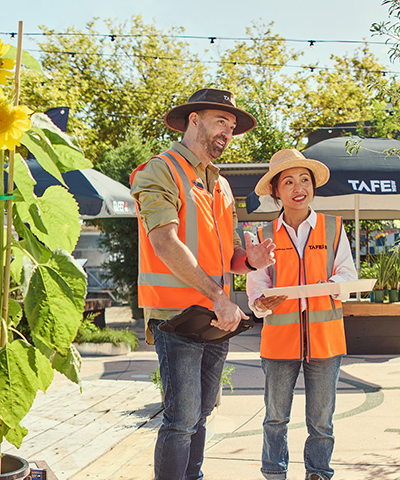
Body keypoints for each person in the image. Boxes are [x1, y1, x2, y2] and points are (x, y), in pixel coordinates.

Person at [130, 88, 276, 480]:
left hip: (216, 318)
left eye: (231, 126)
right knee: (181, 419)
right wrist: (218, 297)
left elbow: (226, 255)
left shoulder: (222, 185)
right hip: (177, 316)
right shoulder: (160, 170)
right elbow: (164, 242)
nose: (228, 131)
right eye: (220, 121)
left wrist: (250, 261)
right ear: (193, 120)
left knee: (202, 413)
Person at [246, 149, 358, 480]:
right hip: (279, 342)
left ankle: (319, 474)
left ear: (313, 187)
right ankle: (274, 474)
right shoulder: (264, 235)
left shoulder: (333, 228)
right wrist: (259, 304)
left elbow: (347, 277)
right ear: (276, 191)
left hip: (325, 343)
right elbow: (256, 287)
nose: (299, 188)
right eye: (289, 181)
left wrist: (329, 285)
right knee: (275, 418)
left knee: (322, 421)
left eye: (305, 180)